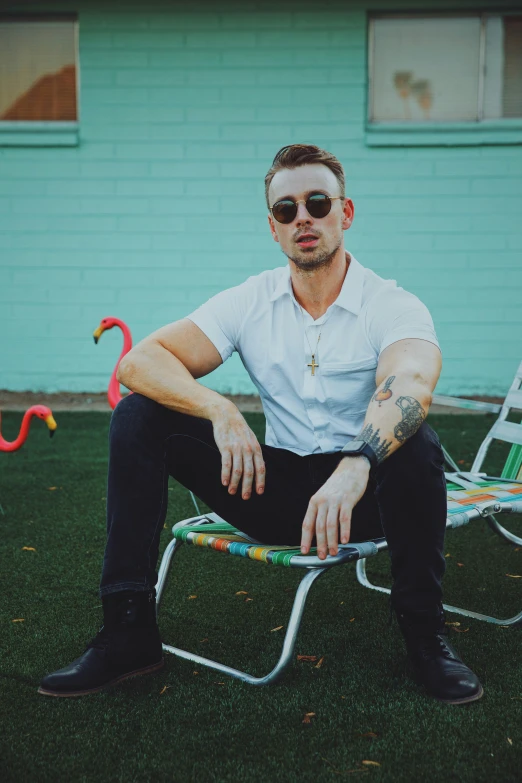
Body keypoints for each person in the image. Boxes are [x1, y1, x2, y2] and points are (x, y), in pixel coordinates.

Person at [38, 144, 482, 704]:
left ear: (344, 214)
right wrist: (219, 409)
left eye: (318, 203)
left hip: (369, 498)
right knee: (139, 416)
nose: (303, 218)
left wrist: (359, 462)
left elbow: (413, 385)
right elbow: (137, 363)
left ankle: (425, 636)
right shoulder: (251, 300)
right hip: (279, 496)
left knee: (416, 439)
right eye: (286, 209)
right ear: (273, 228)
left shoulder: (390, 303)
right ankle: (128, 631)